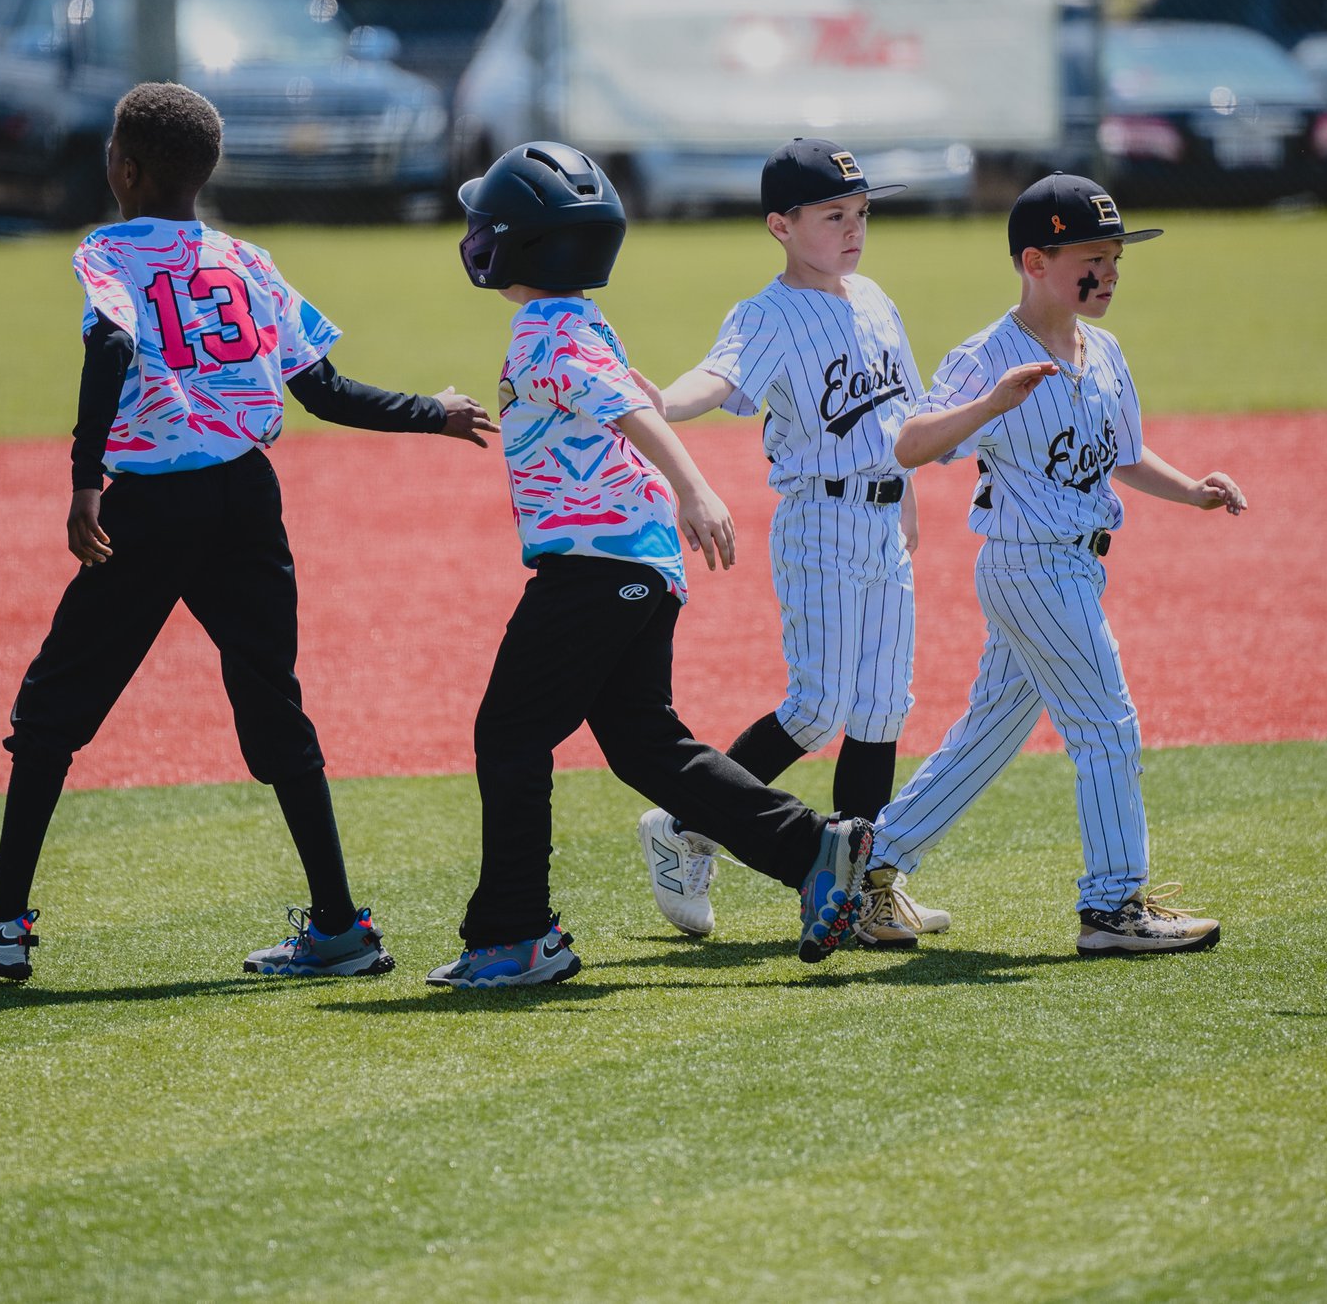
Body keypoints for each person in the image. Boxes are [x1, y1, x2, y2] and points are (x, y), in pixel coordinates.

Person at [0, 83, 493, 981]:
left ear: (124, 168)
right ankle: (339, 927)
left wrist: (85, 482)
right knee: (276, 709)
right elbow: (320, 389)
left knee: (53, 706)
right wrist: (429, 412)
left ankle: (1, 919)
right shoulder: (245, 258)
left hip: (155, 502)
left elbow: (111, 349)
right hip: (248, 498)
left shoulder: (107, 250)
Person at [429, 140, 875, 988]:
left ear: (510, 244)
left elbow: (633, 406)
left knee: (511, 734)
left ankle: (515, 934)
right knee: (644, 743)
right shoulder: (579, 321)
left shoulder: (546, 336)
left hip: (594, 568)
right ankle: (809, 846)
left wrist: (696, 489)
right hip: (634, 565)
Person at [863, 174, 1242, 955]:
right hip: (1031, 565)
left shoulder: (1102, 351)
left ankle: (868, 869)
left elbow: (1125, 457)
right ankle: (1113, 906)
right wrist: (990, 405)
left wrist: (1194, 492)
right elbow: (909, 445)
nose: (1106, 273)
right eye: (1089, 259)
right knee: (1107, 723)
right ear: (1034, 261)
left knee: (987, 735)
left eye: (1113, 259)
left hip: (1070, 566)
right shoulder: (988, 356)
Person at [627, 138, 944, 946]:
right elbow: (719, 377)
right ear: (780, 224)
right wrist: (662, 398)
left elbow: (903, 412)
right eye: (833, 214)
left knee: (879, 708)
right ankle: (686, 826)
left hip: (880, 518)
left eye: (862, 212)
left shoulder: (873, 299)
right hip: (820, 519)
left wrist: (906, 494)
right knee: (816, 707)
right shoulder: (766, 314)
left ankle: (864, 891)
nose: (853, 228)